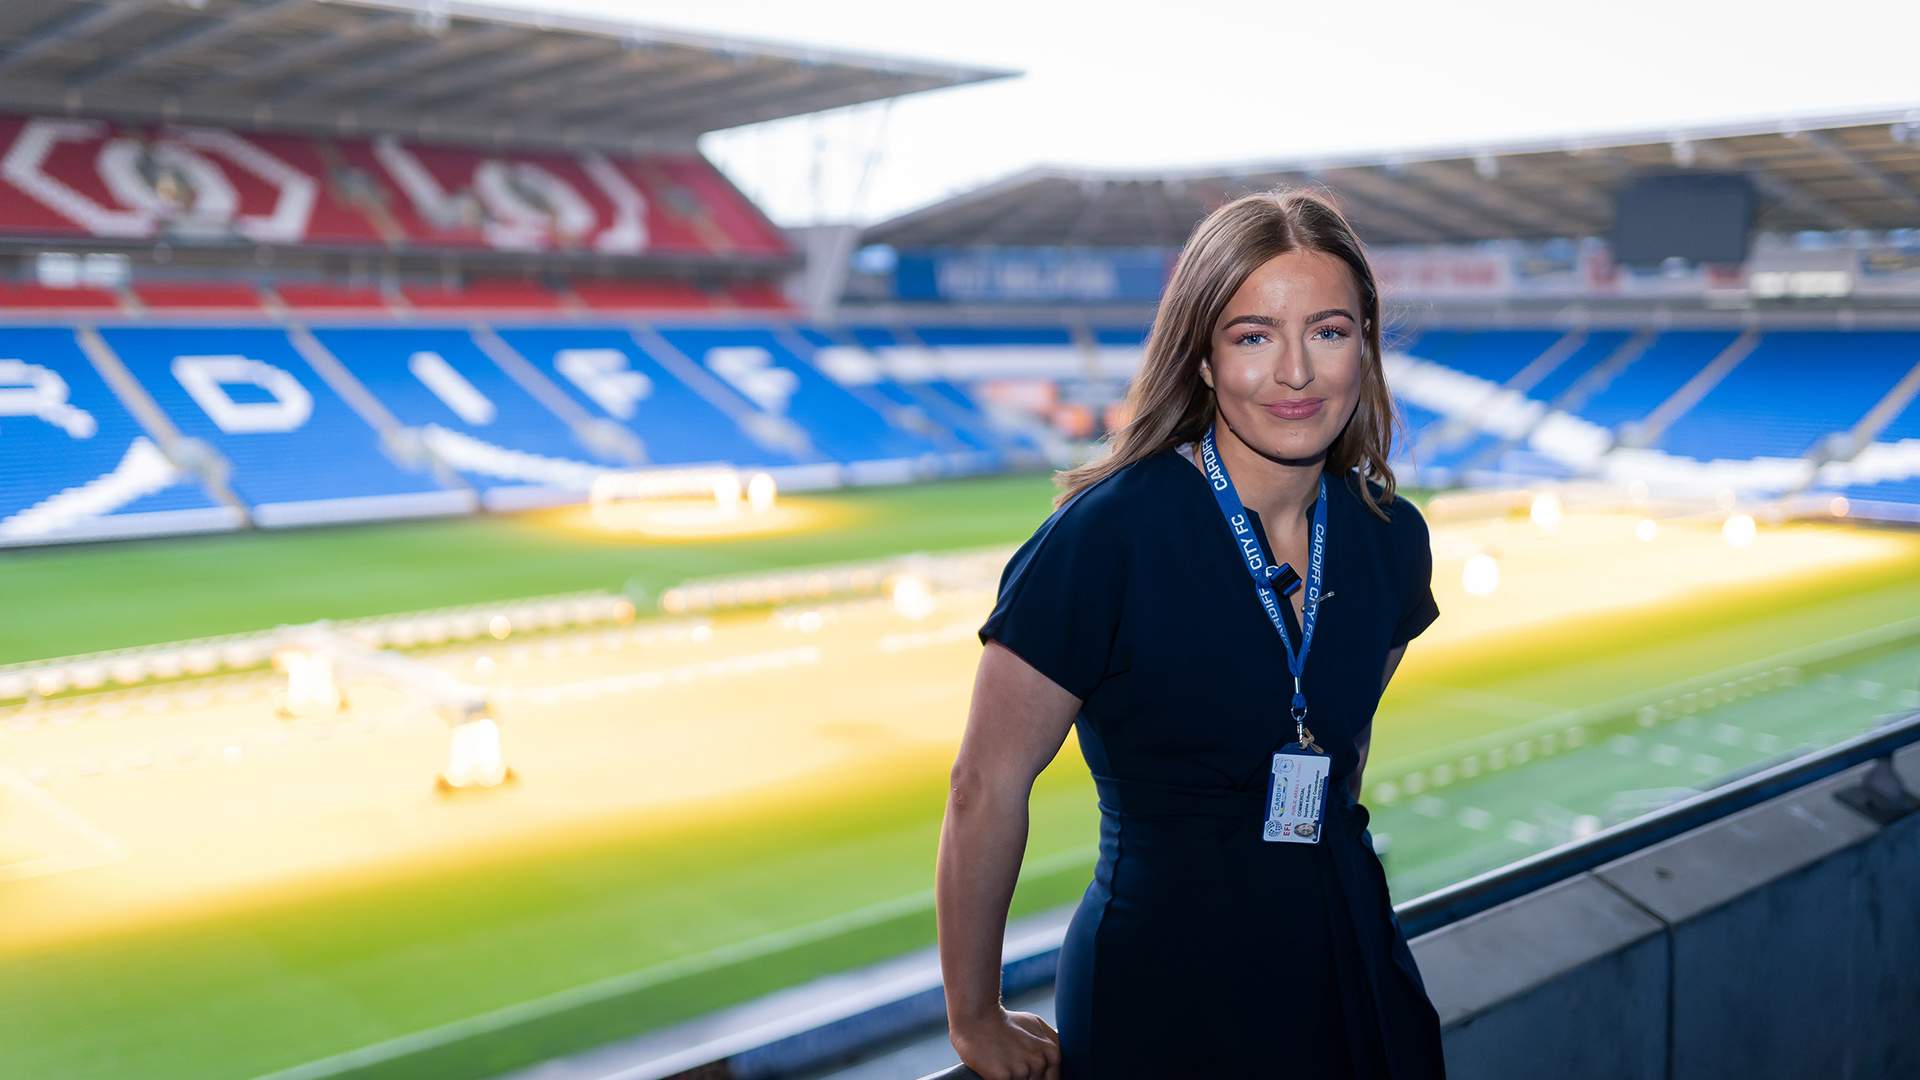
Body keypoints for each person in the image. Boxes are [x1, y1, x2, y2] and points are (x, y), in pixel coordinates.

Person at [936, 187, 1447, 1079]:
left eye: (1329, 332)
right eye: (1254, 336)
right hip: (1164, 978)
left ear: (1365, 345)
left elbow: (1340, 749)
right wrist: (974, 1014)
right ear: (1204, 359)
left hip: (1344, 951)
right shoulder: (1107, 536)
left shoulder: (1390, 537)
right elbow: (985, 782)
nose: (1297, 372)